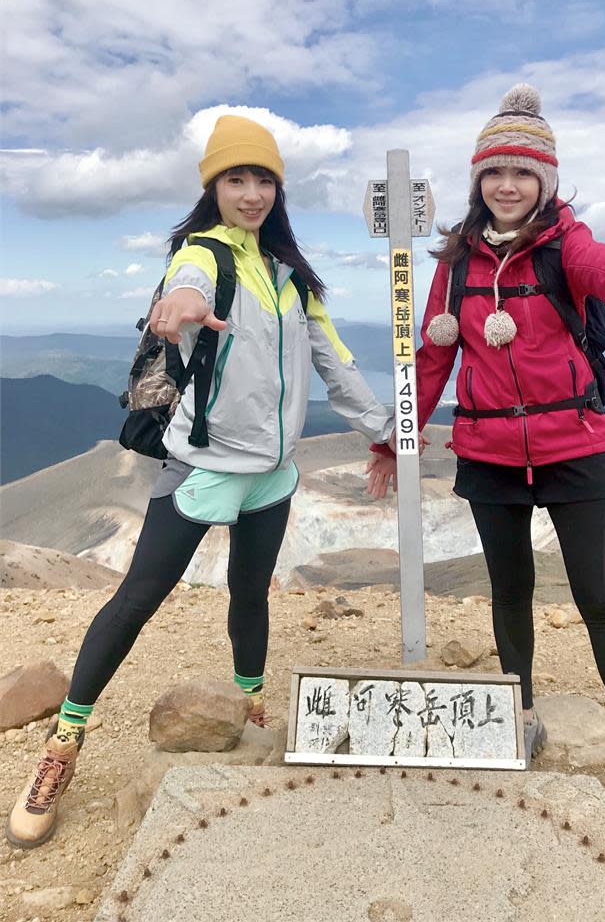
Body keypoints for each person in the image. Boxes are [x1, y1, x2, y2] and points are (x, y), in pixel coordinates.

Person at [6, 114, 396, 849]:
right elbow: (183, 287)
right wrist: (178, 306)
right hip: (205, 468)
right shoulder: (203, 255)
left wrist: (382, 430)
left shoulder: (292, 277)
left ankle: (248, 704)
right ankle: (63, 744)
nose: (250, 193)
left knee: (251, 596)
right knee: (137, 600)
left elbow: (336, 361)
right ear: (213, 187)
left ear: (279, 188)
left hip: (274, 474)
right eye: (235, 179)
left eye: (263, 179)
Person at [367, 83, 605, 774]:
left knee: (601, 599)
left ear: (544, 180)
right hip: (488, 455)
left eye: (522, 173)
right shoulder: (456, 263)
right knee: (509, 593)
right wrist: (395, 440)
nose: (507, 186)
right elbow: (432, 357)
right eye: (494, 172)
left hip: (573, 448)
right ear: (478, 178)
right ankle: (519, 715)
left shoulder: (564, 244)